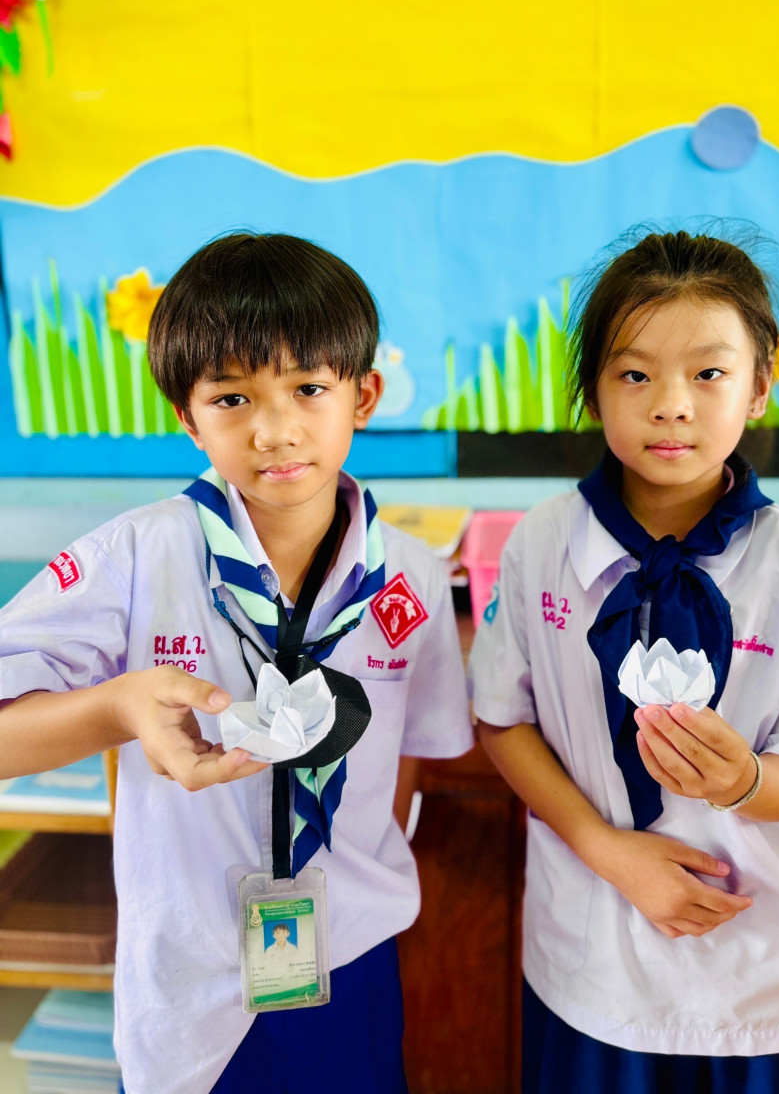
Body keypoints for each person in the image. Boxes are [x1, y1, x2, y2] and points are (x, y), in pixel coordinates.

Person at [0, 233, 473, 1094]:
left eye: (308, 389)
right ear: (188, 418)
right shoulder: (135, 556)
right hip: (190, 971)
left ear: (363, 396)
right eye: (231, 397)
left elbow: (406, 760)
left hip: (351, 953)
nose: (274, 430)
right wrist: (116, 708)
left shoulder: (412, 575)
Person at [469, 228, 779, 1093]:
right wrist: (608, 850)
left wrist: (741, 781)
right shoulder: (541, 543)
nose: (670, 405)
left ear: (758, 388)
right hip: (596, 963)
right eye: (634, 375)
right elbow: (503, 721)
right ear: (593, 391)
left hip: (765, 963)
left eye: (708, 373)